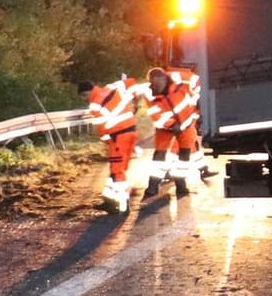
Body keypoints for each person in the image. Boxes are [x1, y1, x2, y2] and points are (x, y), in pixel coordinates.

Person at [80, 75, 144, 212]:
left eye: (84, 96)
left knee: (117, 171)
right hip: (131, 131)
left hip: (118, 137)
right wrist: (137, 101)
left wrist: (108, 143)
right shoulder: (112, 87)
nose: (84, 99)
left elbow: (101, 129)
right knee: (119, 169)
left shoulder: (95, 104)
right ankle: (109, 200)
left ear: (88, 92)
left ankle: (123, 204)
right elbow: (131, 82)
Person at [143, 66, 201, 198]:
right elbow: (156, 116)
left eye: (158, 82)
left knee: (183, 157)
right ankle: (152, 187)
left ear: (164, 78)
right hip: (165, 128)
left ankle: (181, 186)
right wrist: (172, 125)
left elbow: (192, 106)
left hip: (186, 125)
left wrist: (184, 124)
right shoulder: (150, 95)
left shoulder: (180, 86)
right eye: (153, 83)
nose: (156, 86)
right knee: (159, 158)